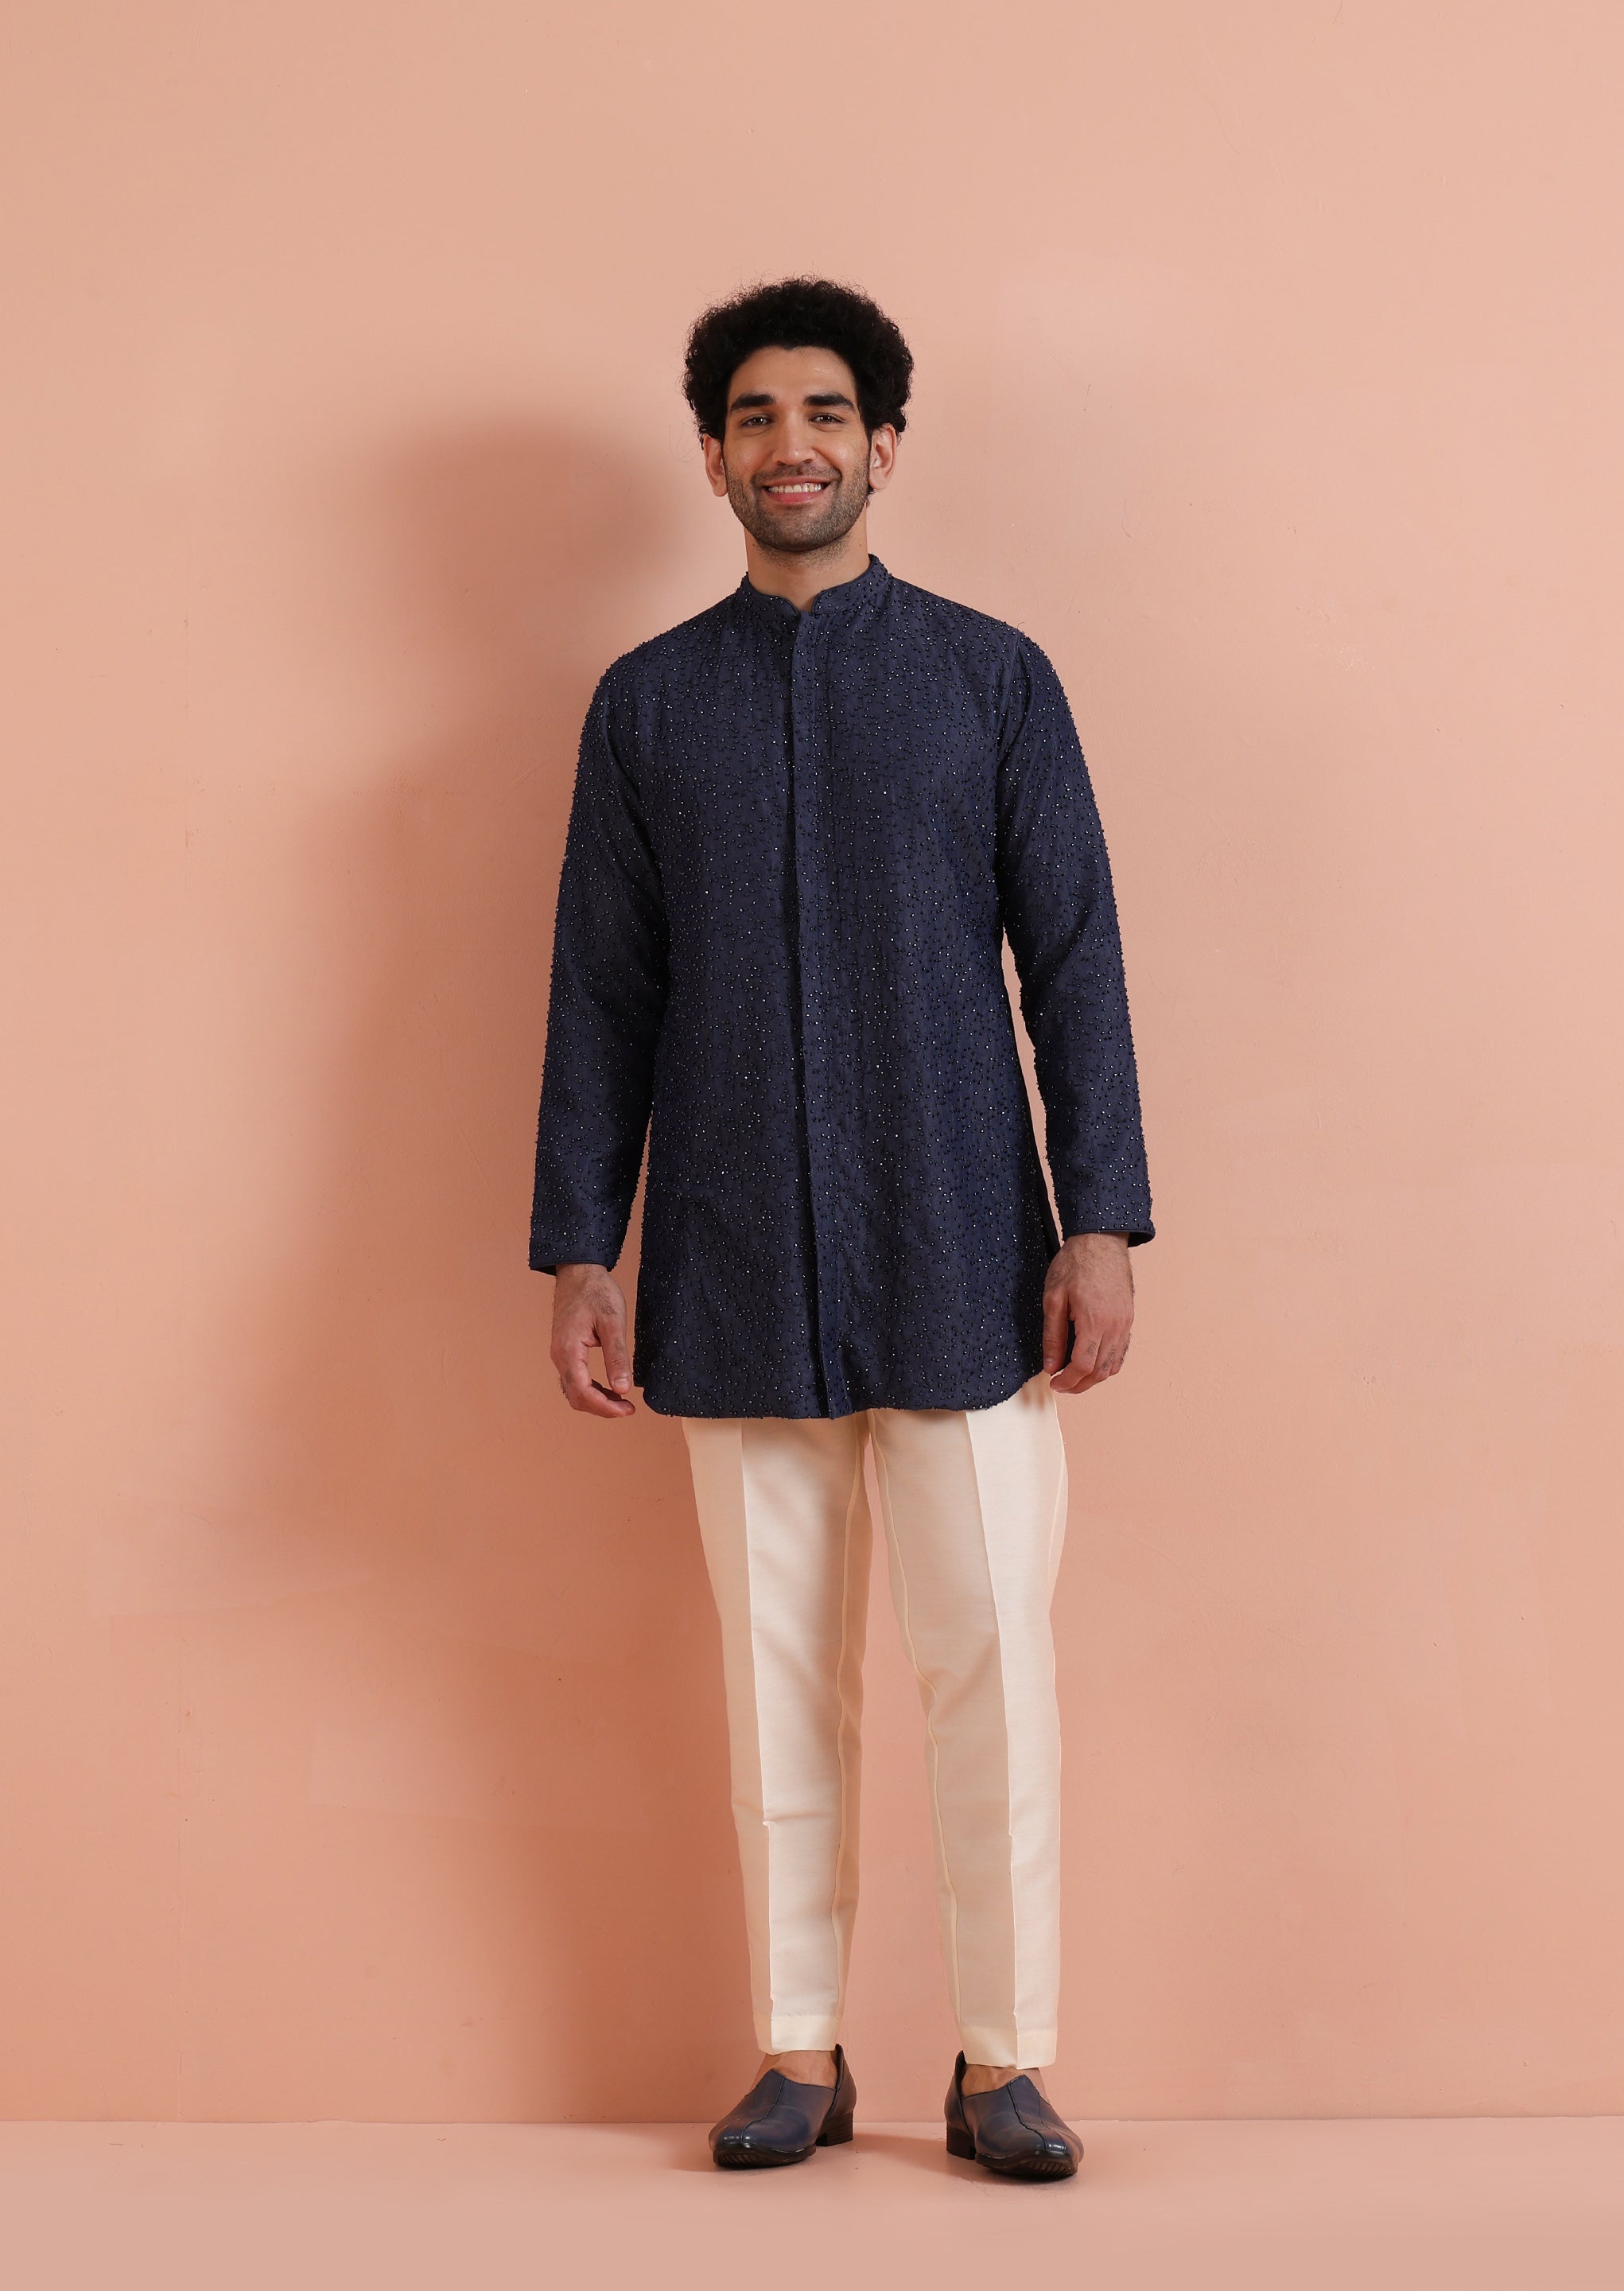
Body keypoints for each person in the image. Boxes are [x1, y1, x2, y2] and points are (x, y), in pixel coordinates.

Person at [529, 278, 1154, 2181]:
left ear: (883, 444)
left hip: (967, 1248)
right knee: (772, 1678)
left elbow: (1074, 959)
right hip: (732, 1258)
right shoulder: (649, 705)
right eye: (752, 416)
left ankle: (1003, 2058)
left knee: (992, 1668)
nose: (788, 445)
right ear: (711, 458)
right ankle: (797, 2051)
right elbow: (602, 996)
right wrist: (582, 1247)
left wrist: (1103, 1222)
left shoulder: (991, 679)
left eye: (823, 413)